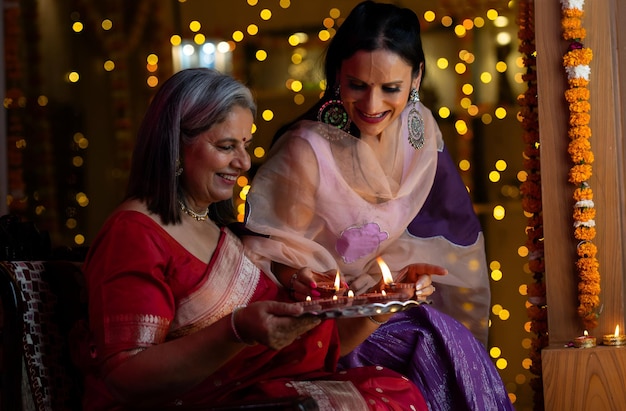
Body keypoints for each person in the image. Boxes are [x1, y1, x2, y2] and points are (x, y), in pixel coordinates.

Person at [75, 67, 431, 410]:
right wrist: (236, 330)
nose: (244, 162)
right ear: (176, 147)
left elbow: (304, 353)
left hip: (260, 395)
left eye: (245, 145)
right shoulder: (133, 233)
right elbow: (125, 376)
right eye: (227, 146)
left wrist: (384, 303)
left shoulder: (218, 231)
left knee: (400, 385)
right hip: (206, 406)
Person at [243, 2, 514, 410]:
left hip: (386, 305)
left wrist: (402, 281)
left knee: (448, 341)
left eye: (391, 88)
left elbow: (448, 230)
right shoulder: (307, 151)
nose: (372, 105)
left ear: (417, 77)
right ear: (337, 75)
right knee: (427, 343)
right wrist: (301, 276)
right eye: (357, 85)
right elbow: (271, 254)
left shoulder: (418, 132)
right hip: (328, 327)